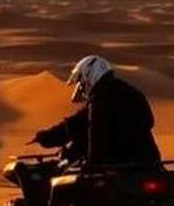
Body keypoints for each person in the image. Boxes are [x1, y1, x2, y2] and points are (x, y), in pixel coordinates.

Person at [31, 55, 162, 167]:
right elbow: (76, 123)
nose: (81, 86)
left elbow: (96, 134)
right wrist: (47, 137)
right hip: (149, 161)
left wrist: (92, 164)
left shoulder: (101, 100)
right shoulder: (129, 92)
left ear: (90, 76)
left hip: (116, 166)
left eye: (81, 81)